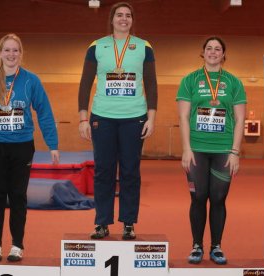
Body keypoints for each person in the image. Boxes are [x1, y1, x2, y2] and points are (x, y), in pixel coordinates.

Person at [0, 33, 59, 262]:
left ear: (21, 54)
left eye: (15, 50)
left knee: (17, 196)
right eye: (7, 50)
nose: (11, 54)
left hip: (22, 146)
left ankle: (17, 244)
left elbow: (44, 112)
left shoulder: (31, 81)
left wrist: (52, 144)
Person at [78, 2, 158, 240]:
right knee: (103, 171)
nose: (124, 19)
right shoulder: (97, 46)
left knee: (130, 171)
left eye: (128, 15)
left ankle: (129, 223)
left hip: (134, 117)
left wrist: (151, 118)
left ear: (132, 20)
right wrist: (84, 118)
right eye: (119, 15)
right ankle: (101, 222)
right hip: (102, 117)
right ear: (111, 19)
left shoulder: (144, 47)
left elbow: (152, 85)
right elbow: (85, 84)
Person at [176, 36, 246, 265]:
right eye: (209, 48)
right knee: (197, 197)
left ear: (224, 54)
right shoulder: (190, 80)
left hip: (223, 151)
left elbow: (240, 118)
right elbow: (184, 117)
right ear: (203, 52)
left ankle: (216, 246)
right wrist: (186, 149)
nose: (213, 52)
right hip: (196, 149)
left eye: (218, 49)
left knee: (218, 198)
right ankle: (197, 245)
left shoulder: (234, 82)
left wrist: (235, 152)